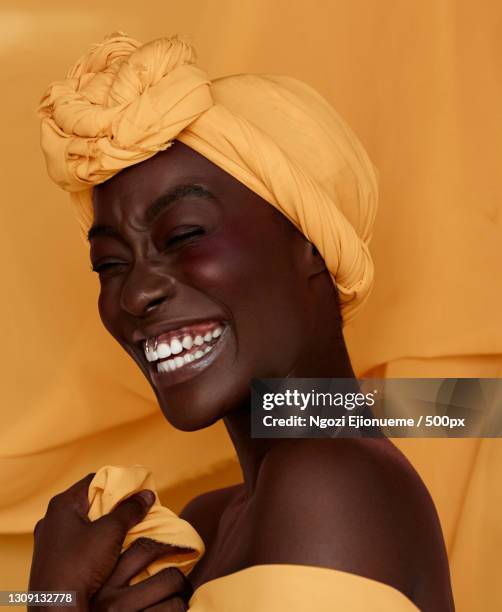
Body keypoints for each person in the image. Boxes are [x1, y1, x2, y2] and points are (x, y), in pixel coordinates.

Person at [29, 33, 454, 611]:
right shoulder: (210, 521)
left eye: (182, 235)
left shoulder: (325, 484)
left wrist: (48, 603)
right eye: (109, 264)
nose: (136, 292)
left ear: (311, 244)